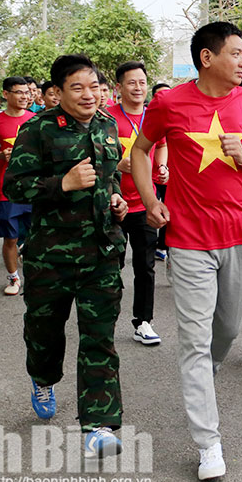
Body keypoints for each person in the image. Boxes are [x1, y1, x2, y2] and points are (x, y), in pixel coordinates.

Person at [130, 22, 242, 480]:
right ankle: (208, 443)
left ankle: (208, 368)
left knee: (228, 329)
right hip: (188, 239)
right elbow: (141, 151)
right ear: (207, 57)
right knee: (194, 341)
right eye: (236, 53)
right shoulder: (169, 103)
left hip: (240, 234)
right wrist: (151, 200)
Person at [5, 54, 129, 459]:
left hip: (101, 253)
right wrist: (63, 183)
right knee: (45, 333)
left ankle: (99, 426)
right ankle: (42, 378)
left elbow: (110, 176)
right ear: (57, 92)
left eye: (94, 86)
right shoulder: (37, 129)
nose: (89, 94)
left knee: (99, 340)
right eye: (78, 87)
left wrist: (116, 198)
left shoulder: (107, 125)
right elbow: (15, 186)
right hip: (50, 258)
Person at [108, 61, 167, 346]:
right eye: (131, 82)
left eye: (142, 82)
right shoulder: (106, 118)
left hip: (145, 204)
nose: (138, 87)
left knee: (145, 266)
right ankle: (106, 318)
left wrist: (162, 166)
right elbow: (93, 155)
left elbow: (163, 144)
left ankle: (143, 322)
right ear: (119, 87)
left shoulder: (153, 115)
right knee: (112, 265)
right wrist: (117, 165)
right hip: (114, 204)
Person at [0, 76, 35, 296]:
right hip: (6, 189)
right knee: (11, 238)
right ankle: (13, 278)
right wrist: (0, 155)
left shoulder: (36, 120)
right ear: (6, 94)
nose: (25, 97)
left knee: (36, 236)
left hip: (34, 188)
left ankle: (36, 277)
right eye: (19, 92)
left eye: (27, 92)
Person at [149, 82, 172, 261]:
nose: (165, 99)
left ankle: (163, 245)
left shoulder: (179, 117)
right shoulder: (151, 120)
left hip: (171, 178)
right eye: (159, 95)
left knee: (169, 211)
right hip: (151, 179)